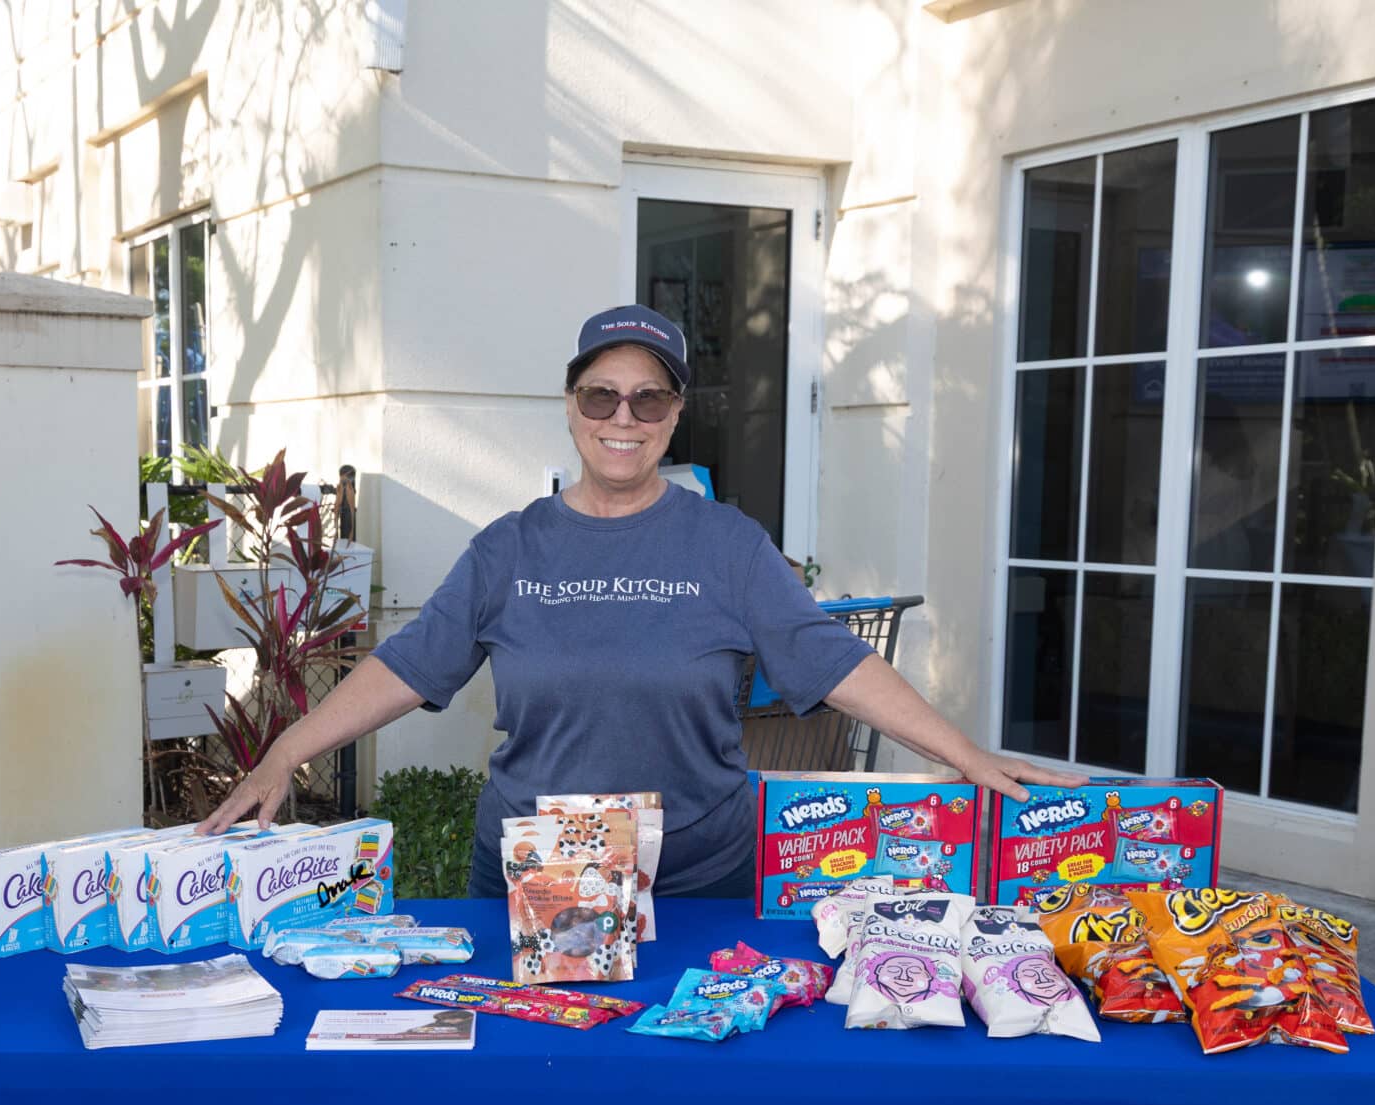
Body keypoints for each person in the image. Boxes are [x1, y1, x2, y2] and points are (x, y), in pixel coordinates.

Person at [200, 303, 1075, 895]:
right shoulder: (508, 548)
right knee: (539, 1095)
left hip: (697, 879)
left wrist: (965, 754)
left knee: (695, 1099)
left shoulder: (728, 545)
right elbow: (407, 664)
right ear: (571, 406)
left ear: (676, 412)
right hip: (537, 882)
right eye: (602, 394)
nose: (624, 416)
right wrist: (285, 751)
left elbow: (833, 660)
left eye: (649, 397)